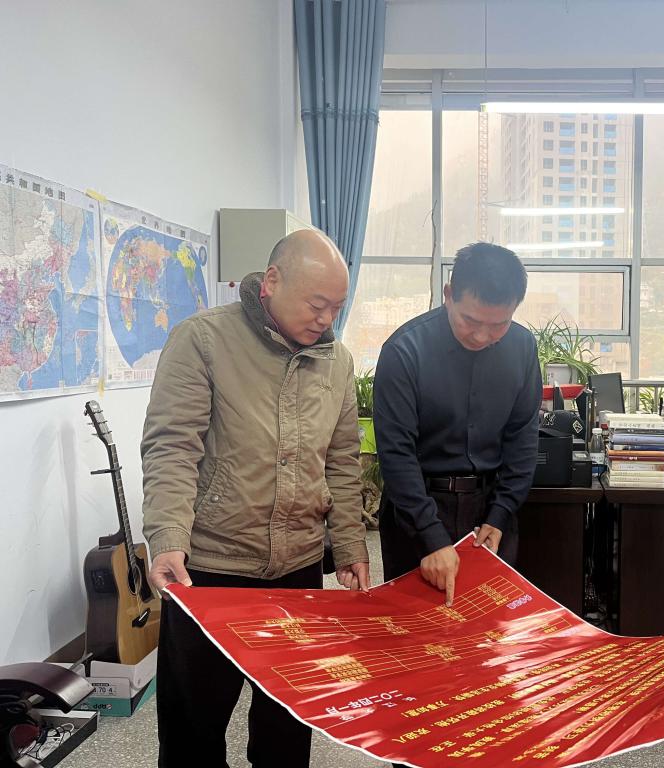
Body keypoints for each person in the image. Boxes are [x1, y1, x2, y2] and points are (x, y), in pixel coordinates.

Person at [141, 229, 370, 768]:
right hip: (211, 569)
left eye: (336, 308)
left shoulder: (336, 361)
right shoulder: (203, 340)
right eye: (316, 304)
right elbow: (172, 447)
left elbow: (341, 461)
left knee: (286, 729)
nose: (326, 319)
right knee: (194, 731)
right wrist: (168, 537)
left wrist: (351, 545)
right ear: (271, 281)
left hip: (298, 569)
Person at [374, 242, 541, 606]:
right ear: (449, 294)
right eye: (471, 321)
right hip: (417, 507)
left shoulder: (522, 348)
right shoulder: (404, 351)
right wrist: (430, 536)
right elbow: (397, 454)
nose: (482, 336)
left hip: (489, 508)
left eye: (498, 325)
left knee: (488, 619)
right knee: (414, 621)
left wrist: (500, 514)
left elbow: (523, 439)